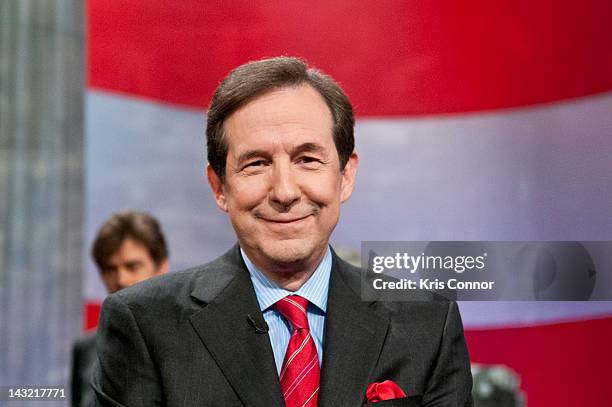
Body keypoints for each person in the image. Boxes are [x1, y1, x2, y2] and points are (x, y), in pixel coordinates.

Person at [92, 57, 473, 406]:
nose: (285, 192)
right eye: (256, 164)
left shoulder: (427, 323)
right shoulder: (144, 324)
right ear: (219, 187)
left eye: (307, 159)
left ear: (345, 175)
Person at [71, 211, 169, 407]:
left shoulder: (191, 339)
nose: (121, 279)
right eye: (110, 269)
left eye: (132, 266)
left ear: (161, 267)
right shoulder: (86, 348)